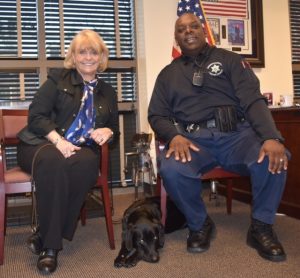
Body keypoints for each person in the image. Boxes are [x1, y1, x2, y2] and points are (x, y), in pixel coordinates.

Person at [148, 13, 290, 262]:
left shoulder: (231, 60)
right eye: (182, 29)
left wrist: (270, 137)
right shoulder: (167, 75)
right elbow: (156, 115)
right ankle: (199, 224)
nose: (188, 31)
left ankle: (261, 226)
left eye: (194, 26)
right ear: (176, 37)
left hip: (237, 137)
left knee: (273, 157)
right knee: (171, 168)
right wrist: (173, 137)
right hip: (194, 141)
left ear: (203, 31)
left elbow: (253, 101)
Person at [17, 29, 119, 274]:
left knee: (86, 165)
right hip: (41, 143)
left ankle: (44, 233)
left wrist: (108, 132)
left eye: (93, 52)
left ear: (101, 56)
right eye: (81, 52)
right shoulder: (57, 80)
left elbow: (113, 128)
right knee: (56, 162)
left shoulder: (108, 91)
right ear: (73, 56)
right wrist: (57, 140)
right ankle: (51, 248)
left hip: (80, 148)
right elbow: (36, 116)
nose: (87, 57)